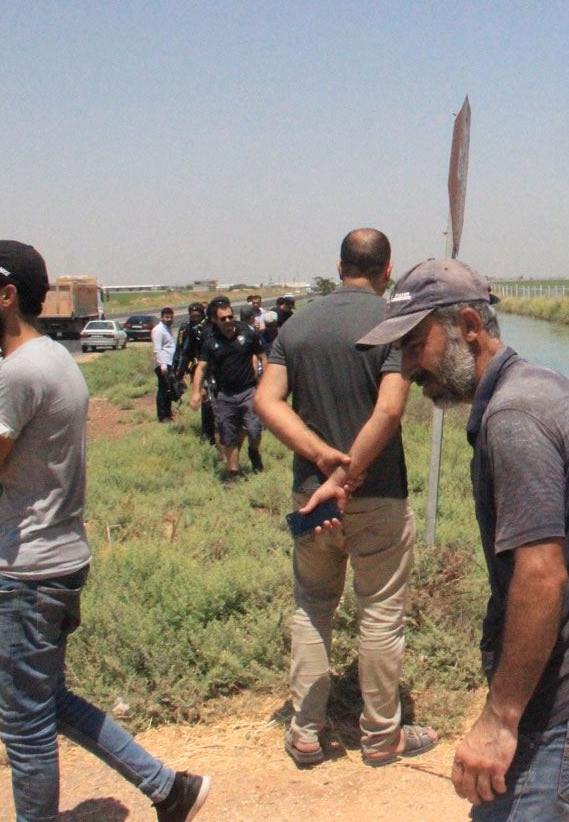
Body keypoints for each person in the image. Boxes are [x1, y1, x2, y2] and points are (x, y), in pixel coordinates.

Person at [353, 258, 569, 822]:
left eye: (414, 346)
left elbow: (541, 574)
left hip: (564, 707)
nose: (407, 371)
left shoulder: (514, 419)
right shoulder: (543, 386)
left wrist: (500, 720)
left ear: (468, 326)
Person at [0, 240, 211, 822]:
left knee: (25, 726)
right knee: (50, 702)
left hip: (27, 571)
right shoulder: (55, 359)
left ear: (6, 296)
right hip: (57, 560)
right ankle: (168, 788)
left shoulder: (18, 374)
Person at [253, 229, 438, 768]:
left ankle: (306, 732)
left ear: (338, 266)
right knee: (379, 613)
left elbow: (267, 402)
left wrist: (323, 462)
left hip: (314, 499)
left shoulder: (296, 326)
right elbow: (388, 412)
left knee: (312, 605)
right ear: (388, 270)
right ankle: (382, 737)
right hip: (377, 494)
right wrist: (350, 473)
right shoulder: (390, 328)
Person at [190, 296, 264, 479]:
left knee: (254, 431)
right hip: (224, 395)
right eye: (223, 319)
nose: (228, 321)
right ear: (215, 320)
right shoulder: (210, 341)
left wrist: (266, 382)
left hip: (249, 391)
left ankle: (253, 452)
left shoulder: (247, 333)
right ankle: (233, 473)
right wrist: (196, 392)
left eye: (230, 316)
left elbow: (263, 357)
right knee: (228, 436)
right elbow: (201, 367)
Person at [173, 302, 214, 444]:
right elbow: (186, 351)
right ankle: (207, 434)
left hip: (216, 369)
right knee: (205, 400)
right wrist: (180, 371)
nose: (195, 318)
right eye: (193, 316)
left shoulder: (211, 327)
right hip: (200, 369)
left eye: (198, 316)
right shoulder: (190, 329)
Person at [151, 306, 177, 422]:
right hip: (163, 364)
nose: (169, 319)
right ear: (162, 317)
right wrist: (162, 365)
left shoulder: (167, 328)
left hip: (170, 363)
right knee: (163, 389)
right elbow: (158, 349)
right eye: (166, 317)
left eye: (171, 317)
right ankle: (162, 415)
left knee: (169, 389)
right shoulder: (159, 330)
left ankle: (168, 412)